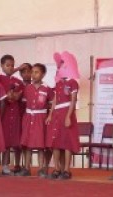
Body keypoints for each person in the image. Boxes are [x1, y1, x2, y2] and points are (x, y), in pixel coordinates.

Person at [45, 51, 80, 180]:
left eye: (63, 65)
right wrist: (50, 114)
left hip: (66, 112)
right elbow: (54, 99)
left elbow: (73, 100)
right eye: (59, 65)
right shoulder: (58, 83)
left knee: (67, 142)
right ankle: (57, 168)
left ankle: (66, 169)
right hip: (56, 114)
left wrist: (68, 116)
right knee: (55, 142)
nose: (60, 68)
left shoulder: (73, 83)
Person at [19, 63, 53, 176]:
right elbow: (23, 103)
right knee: (27, 144)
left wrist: (49, 115)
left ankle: (41, 168)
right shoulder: (27, 88)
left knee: (40, 145)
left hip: (40, 118)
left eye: (36, 72)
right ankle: (26, 168)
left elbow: (53, 103)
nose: (33, 75)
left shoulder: (47, 88)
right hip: (28, 117)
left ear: (43, 74)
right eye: (32, 72)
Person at [0, 55, 24, 175]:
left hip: (14, 113)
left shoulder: (18, 82)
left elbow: (19, 95)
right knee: (0, 140)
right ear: (1, 66)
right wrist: (6, 96)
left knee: (11, 140)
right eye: (7, 65)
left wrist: (15, 96)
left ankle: (6, 165)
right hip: (2, 113)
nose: (10, 68)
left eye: (12, 65)